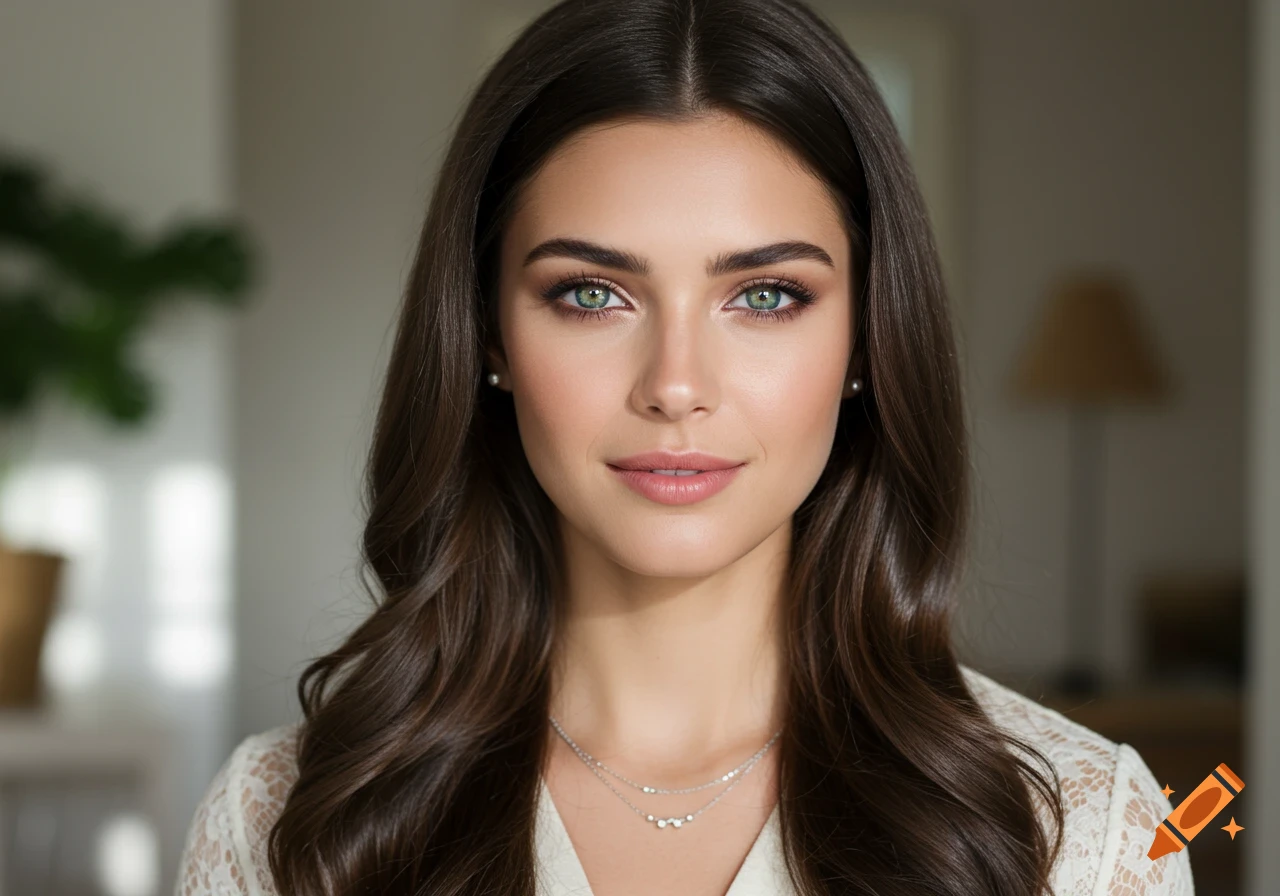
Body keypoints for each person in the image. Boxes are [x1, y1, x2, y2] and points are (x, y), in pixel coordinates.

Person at [174, 0, 1195, 893]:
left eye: (764, 295)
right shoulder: (286, 824)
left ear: (864, 338)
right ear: (488, 333)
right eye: (590, 293)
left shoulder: (1084, 832)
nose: (674, 383)